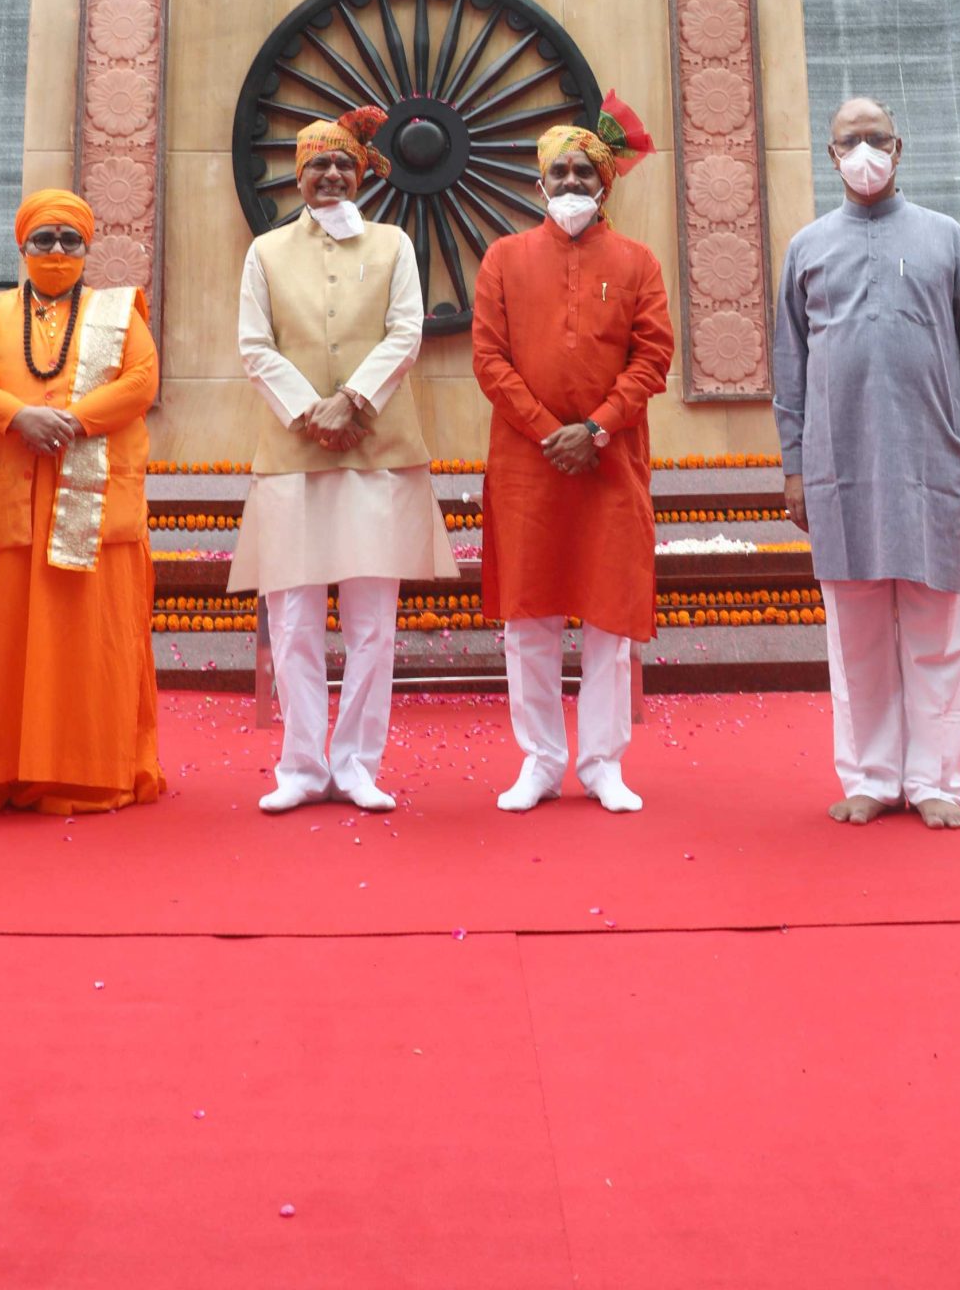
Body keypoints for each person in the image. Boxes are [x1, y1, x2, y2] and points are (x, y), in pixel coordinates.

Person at [772, 97, 960, 831]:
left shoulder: (945, 237)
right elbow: (790, 367)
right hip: (839, 465)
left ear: (898, 147)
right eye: (848, 141)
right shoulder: (807, 247)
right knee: (857, 633)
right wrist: (794, 467)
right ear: (831, 156)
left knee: (937, 625)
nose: (863, 152)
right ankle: (872, 777)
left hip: (932, 460)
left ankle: (935, 779)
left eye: (874, 138)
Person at [0, 191, 163, 818]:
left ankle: (85, 772)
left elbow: (141, 382)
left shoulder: (118, 313)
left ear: (88, 248)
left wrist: (73, 421)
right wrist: (20, 417)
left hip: (89, 504)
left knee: (87, 639)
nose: (57, 250)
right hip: (4, 501)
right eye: (44, 239)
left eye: (70, 239)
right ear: (22, 246)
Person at [233, 106, 455, 813]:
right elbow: (254, 346)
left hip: (378, 449)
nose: (331, 175)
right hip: (293, 451)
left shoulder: (393, 245)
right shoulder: (265, 252)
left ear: (362, 174)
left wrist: (353, 401)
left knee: (372, 622)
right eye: (317, 165)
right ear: (298, 176)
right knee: (293, 619)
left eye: (342, 164)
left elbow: (405, 332)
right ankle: (300, 767)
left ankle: (357, 764)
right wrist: (311, 411)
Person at [473, 95, 674, 814]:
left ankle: (601, 763)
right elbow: (488, 359)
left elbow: (652, 359)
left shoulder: (637, 262)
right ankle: (540, 760)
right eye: (557, 172)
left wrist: (594, 429)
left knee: (609, 621)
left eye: (582, 172)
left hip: (609, 463)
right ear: (539, 184)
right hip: (527, 468)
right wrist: (546, 432)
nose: (569, 183)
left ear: (603, 183)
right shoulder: (503, 258)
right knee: (529, 620)